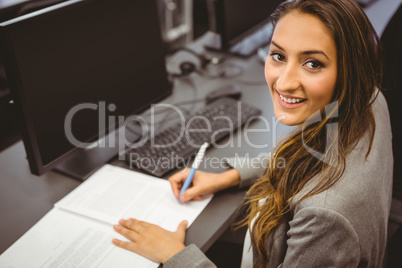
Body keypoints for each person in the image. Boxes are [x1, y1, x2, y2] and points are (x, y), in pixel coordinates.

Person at [112, 0, 393, 267]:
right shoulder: (368, 99)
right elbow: (304, 155)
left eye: (312, 63)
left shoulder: (325, 216)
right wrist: (229, 177)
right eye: (278, 56)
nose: (283, 82)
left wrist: (174, 255)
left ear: (350, 71)